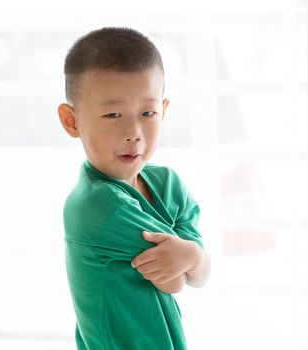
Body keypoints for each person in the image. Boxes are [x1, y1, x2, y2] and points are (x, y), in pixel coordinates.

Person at [58, 27, 211, 350]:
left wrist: (192, 257)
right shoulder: (98, 205)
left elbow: (195, 273)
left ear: (164, 111)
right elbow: (176, 280)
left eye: (148, 113)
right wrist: (192, 257)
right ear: (72, 121)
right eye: (113, 114)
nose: (134, 132)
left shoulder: (166, 184)